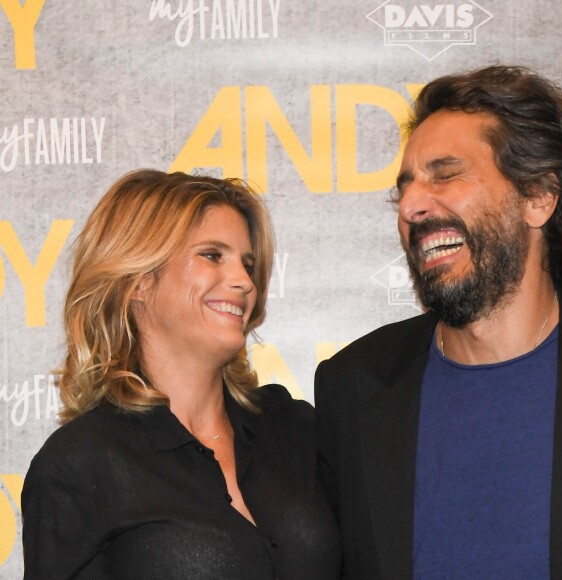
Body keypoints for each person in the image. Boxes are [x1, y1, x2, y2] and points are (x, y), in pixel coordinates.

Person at [315, 65, 562, 579]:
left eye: (446, 173)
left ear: (538, 197)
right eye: (406, 186)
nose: (411, 205)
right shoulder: (353, 386)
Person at [22, 170, 340, 579]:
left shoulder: (292, 428)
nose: (244, 281)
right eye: (212, 255)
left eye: (247, 263)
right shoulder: (79, 462)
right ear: (137, 280)